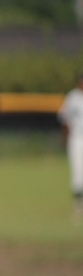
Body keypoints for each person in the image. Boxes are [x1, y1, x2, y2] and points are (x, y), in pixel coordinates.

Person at [58, 70, 83, 219]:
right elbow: (64, 118)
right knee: (78, 172)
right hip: (77, 139)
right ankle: (78, 206)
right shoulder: (73, 97)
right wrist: (65, 138)